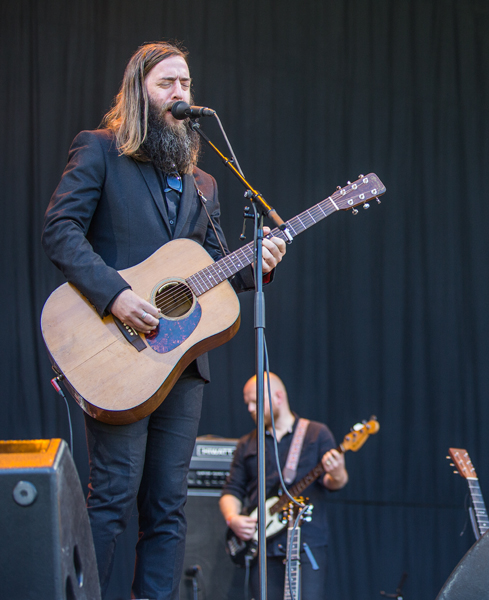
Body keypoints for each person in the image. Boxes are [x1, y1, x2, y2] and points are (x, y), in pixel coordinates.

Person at [41, 42, 287, 599]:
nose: (180, 93)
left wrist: (259, 265)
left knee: (168, 505)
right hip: (116, 350)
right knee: (112, 496)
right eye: (167, 83)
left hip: (182, 363)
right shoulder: (100, 150)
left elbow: (216, 272)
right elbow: (60, 230)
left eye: (186, 83)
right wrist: (115, 295)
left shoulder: (205, 183)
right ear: (139, 92)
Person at [220, 372, 348, 600]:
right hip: (263, 549)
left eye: (255, 402)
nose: (250, 408)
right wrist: (233, 519)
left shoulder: (316, 434)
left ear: (278, 397)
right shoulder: (247, 443)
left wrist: (337, 471)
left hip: (306, 545)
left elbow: (333, 483)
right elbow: (231, 490)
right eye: (247, 403)